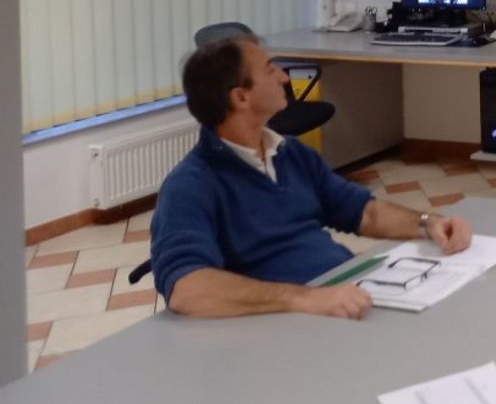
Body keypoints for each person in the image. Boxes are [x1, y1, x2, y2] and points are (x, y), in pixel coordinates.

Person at [150, 35, 473, 319]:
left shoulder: (290, 153)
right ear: (241, 97)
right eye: (270, 69)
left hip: (344, 295)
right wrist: (303, 299)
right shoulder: (191, 185)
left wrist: (428, 223)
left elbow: (364, 212)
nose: (283, 77)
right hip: (288, 324)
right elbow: (187, 289)